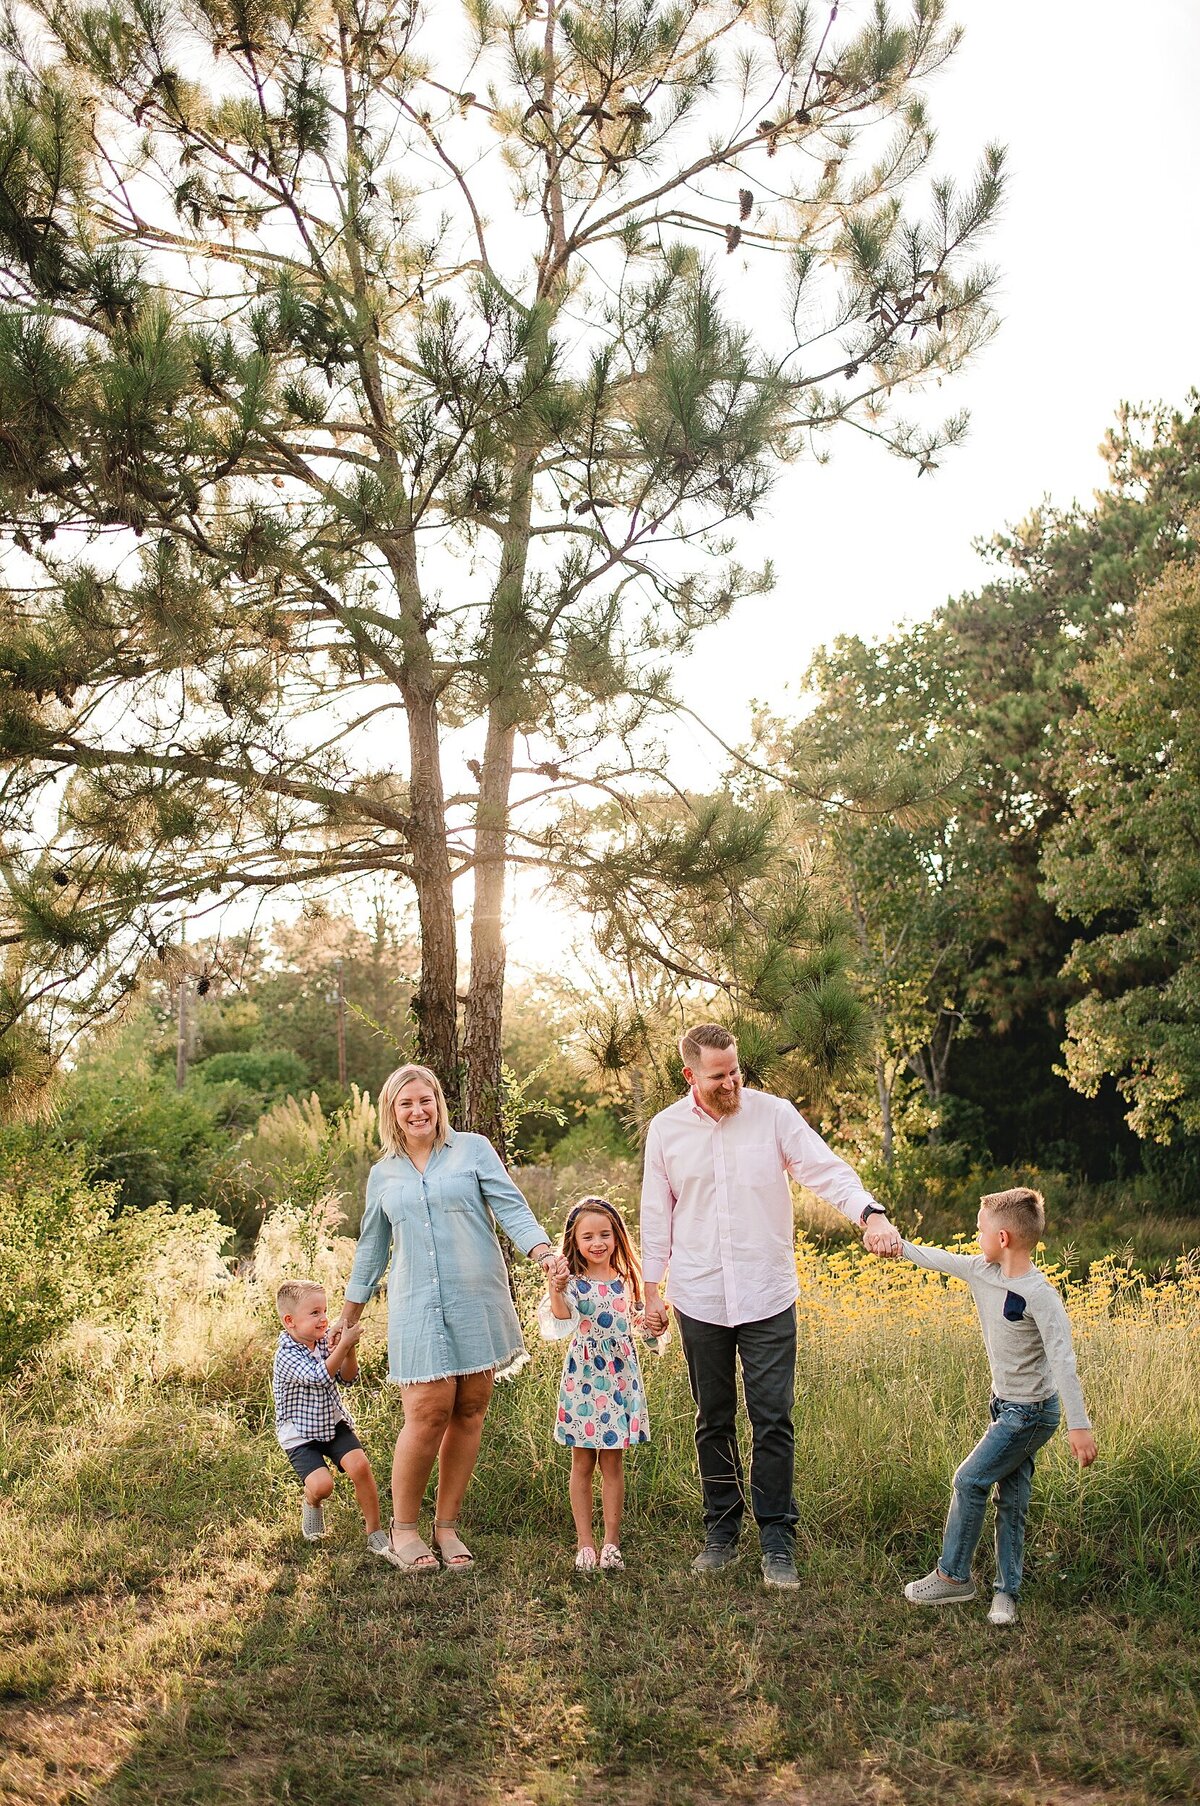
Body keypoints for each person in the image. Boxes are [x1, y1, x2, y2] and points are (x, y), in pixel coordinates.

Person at [640, 1022, 903, 1589]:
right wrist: (652, 1289)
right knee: (712, 1420)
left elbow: (825, 1170)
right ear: (690, 1076)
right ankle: (721, 1533)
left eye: (735, 1070)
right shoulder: (665, 1131)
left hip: (766, 1294)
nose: (732, 1081)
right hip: (700, 1293)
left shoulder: (774, 1114)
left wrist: (870, 1213)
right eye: (718, 1076)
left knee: (773, 1420)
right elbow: (655, 1214)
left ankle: (777, 1541)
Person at [331, 1063, 568, 1573]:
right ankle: (403, 1531)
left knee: (470, 1408)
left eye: (426, 1100)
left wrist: (544, 1252)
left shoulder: (473, 1150)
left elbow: (512, 1207)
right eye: (406, 1104)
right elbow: (371, 1251)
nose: (418, 1111)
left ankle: (446, 1526)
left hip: (476, 1295)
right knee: (427, 1412)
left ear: (438, 1102)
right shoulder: (383, 1175)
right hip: (416, 1303)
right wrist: (348, 1316)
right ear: (391, 1114)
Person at [878, 1185, 1098, 1626]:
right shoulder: (983, 1271)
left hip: (1032, 1413)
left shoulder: (1040, 1295)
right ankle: (1006, 1595)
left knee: (969, 1479)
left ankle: (953, 1576)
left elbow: (1063, 1359)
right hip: (1004, 1406)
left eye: (979, 1231)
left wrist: (1080, 1424)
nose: (974, 1238)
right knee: (1012, 1501)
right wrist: (897, 1246)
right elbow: (939, 1258)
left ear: (1003, 1239)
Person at [538, 1195, 662, 1573]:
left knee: (613, 1462)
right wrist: (555, 1287)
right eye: (587, 1236)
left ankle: (611, 1543)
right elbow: (561, 1318)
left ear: (617, 1237)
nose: (597, 1243)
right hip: (585, 1379)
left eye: (605, 1235)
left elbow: (642, 1326)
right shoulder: (573, 1283)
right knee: (582, 1463)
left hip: (620, 1378)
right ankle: (585, 1544)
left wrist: (657, 1325)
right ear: (574, 1242)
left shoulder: (627, 1283)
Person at [272, 1279, 397, 1564]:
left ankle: (374, 1532)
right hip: (301, 1433)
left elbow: (348, 1378)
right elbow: (319, 1377)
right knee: (322, 1486)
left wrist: (348, 1348)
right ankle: (312, 1501)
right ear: (290, 1321)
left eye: (325, 1310)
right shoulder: (286, 1355)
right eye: (314, 1313)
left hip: (332, 1422)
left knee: (360, 1466)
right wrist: (343, 1346)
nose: (324, 1318)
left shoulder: (324, 1341)